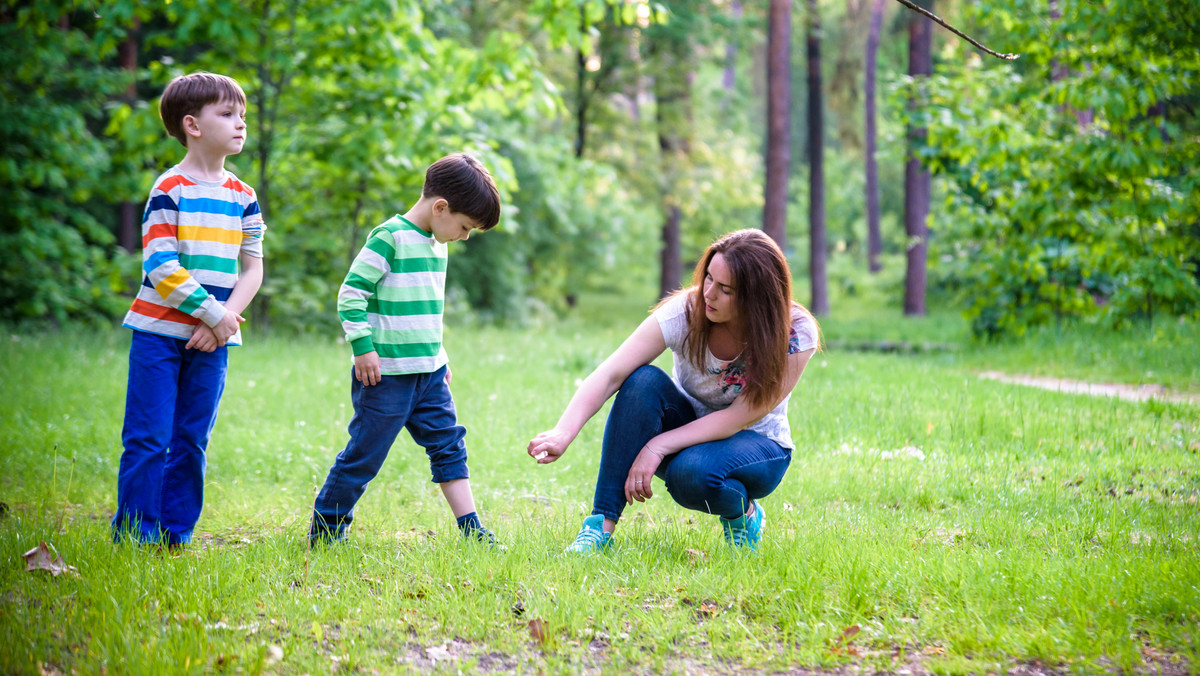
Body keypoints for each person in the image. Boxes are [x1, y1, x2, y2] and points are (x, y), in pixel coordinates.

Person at [527, 229, 820, 553]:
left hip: (758, 446)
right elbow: (612, 373)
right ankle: (599, 529)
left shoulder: (794, 332)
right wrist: (562, 432)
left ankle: (745, 513)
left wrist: (657, 446)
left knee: (690, 475)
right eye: (708, 278)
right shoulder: (686, 312)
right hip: (687, 435)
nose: (708, 293)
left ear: (756, 297)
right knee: (643, 381)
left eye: (725, 290)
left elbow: (738, 417)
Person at [309, 153, 503, 547]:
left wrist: (440, 356)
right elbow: (351, 295)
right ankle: (327, 526)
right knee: (365, 454)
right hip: (385, 378)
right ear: (441, 208)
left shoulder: (437, 243)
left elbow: (424, 308)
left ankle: (472, 529)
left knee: (449, 445)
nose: (464, 236)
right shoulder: (389, 238)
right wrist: (363, 349)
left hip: (429, 375)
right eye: (465, 227)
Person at [113, 72, 266, 546]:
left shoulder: (244, 196)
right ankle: (136, 536)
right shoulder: (170, 188)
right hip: (159, 333)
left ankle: (175, 537)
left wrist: (222, 322)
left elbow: (253, 269)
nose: (240, 123)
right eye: (227, 114)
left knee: (191, 440)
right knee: (149, 439)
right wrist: (212, 313)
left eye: (242, 115)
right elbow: (160, 265)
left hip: (213, 339)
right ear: (192, 125)